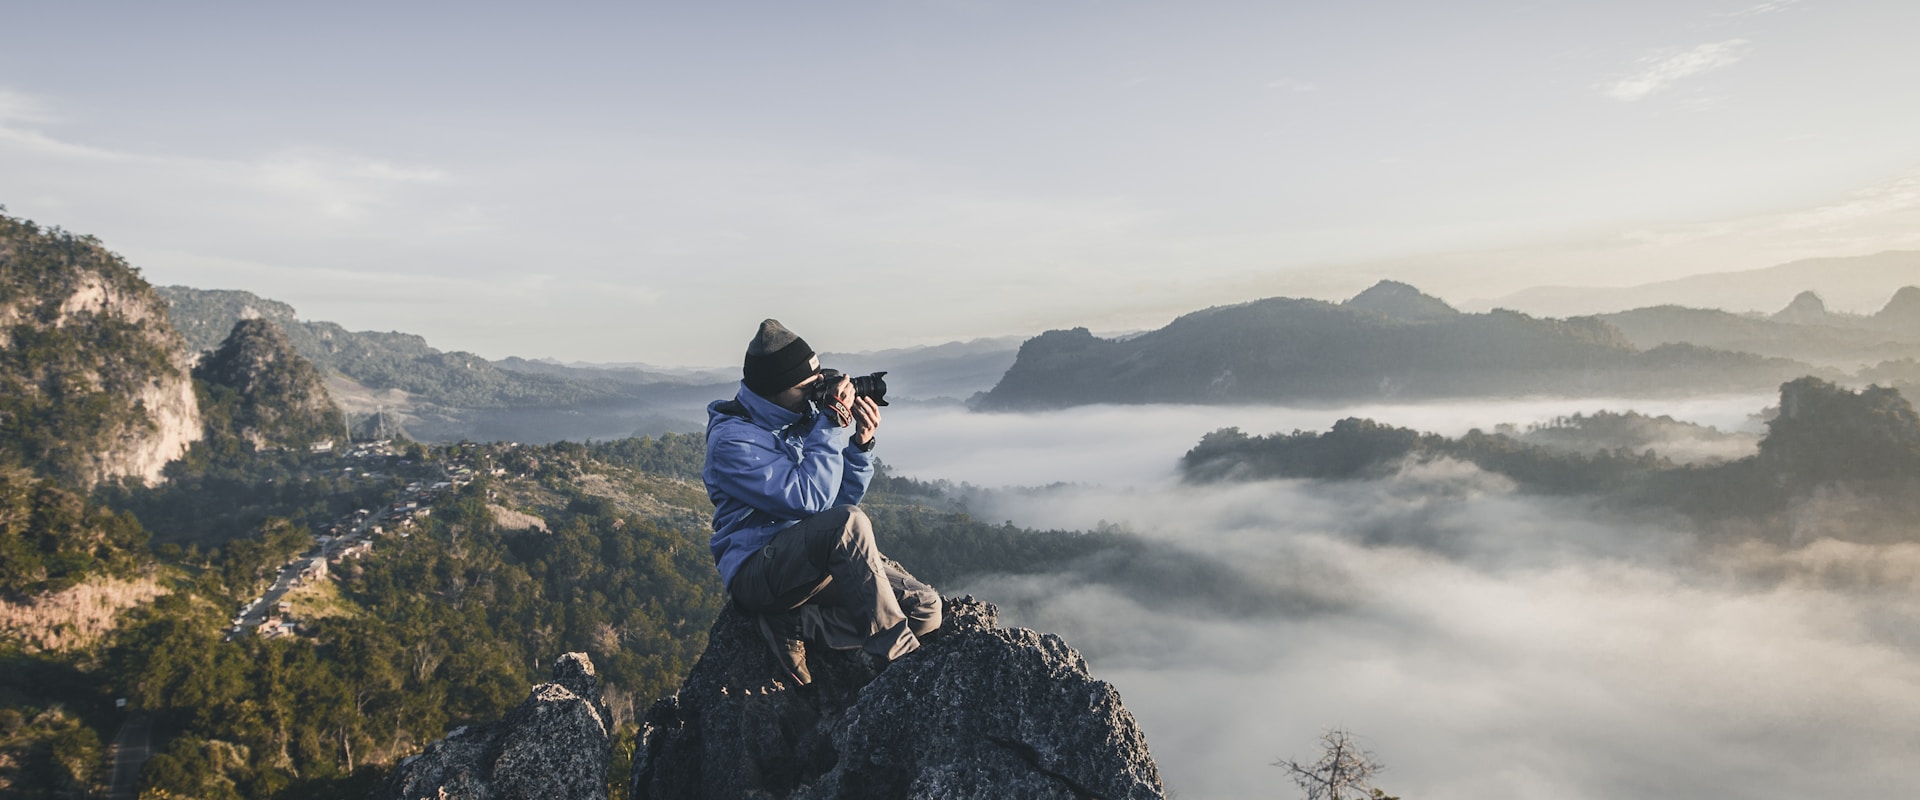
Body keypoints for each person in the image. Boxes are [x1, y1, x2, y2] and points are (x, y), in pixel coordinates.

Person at [703, 318, 942, 686]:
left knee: (925, 609)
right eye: (807, 388)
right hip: (759, 572)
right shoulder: (733, 442)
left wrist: (860, 447)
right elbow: (811, 502)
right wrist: (829, 423)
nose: (816, 394)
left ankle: (797, 623)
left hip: (808, 564)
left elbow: (833, 507)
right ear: (774, 389)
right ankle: (900, 663)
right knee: (850, 522)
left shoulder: (796, 420)